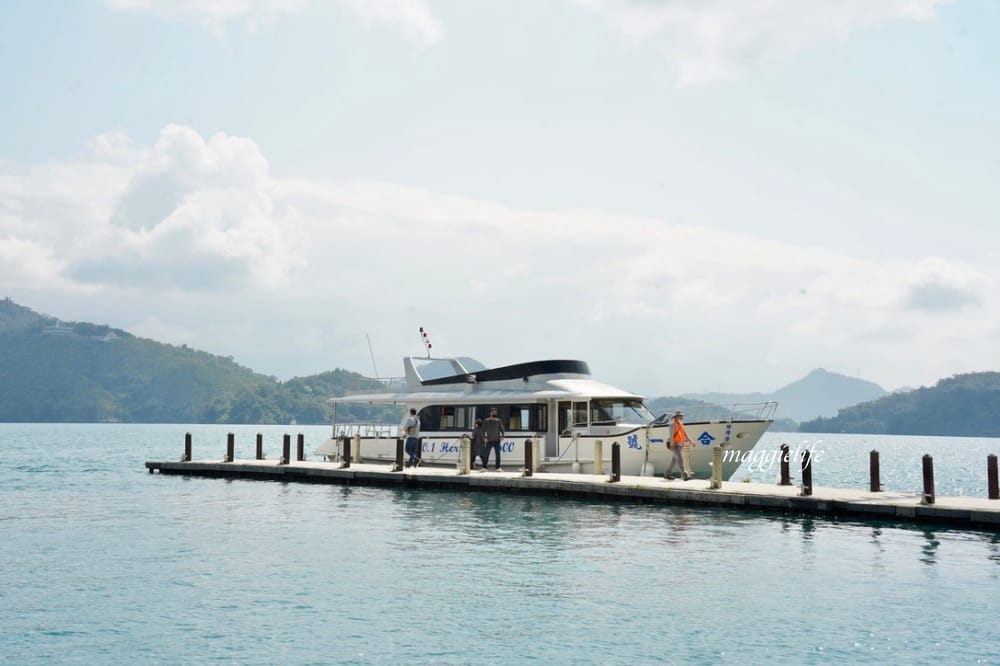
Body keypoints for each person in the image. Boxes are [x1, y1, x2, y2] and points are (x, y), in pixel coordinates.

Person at [665, 411, 693, 480]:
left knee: (674, 460)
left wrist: (691, 441)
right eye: (681, 415)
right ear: (676, 416)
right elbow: (671, 435)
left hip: (680, 444)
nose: (682, 416)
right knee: (680, 459)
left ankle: (667, 474)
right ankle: (684, 475)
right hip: (674, 445)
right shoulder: (672, 424)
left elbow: (685, 433)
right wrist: (671, 445)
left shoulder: (681, 423)